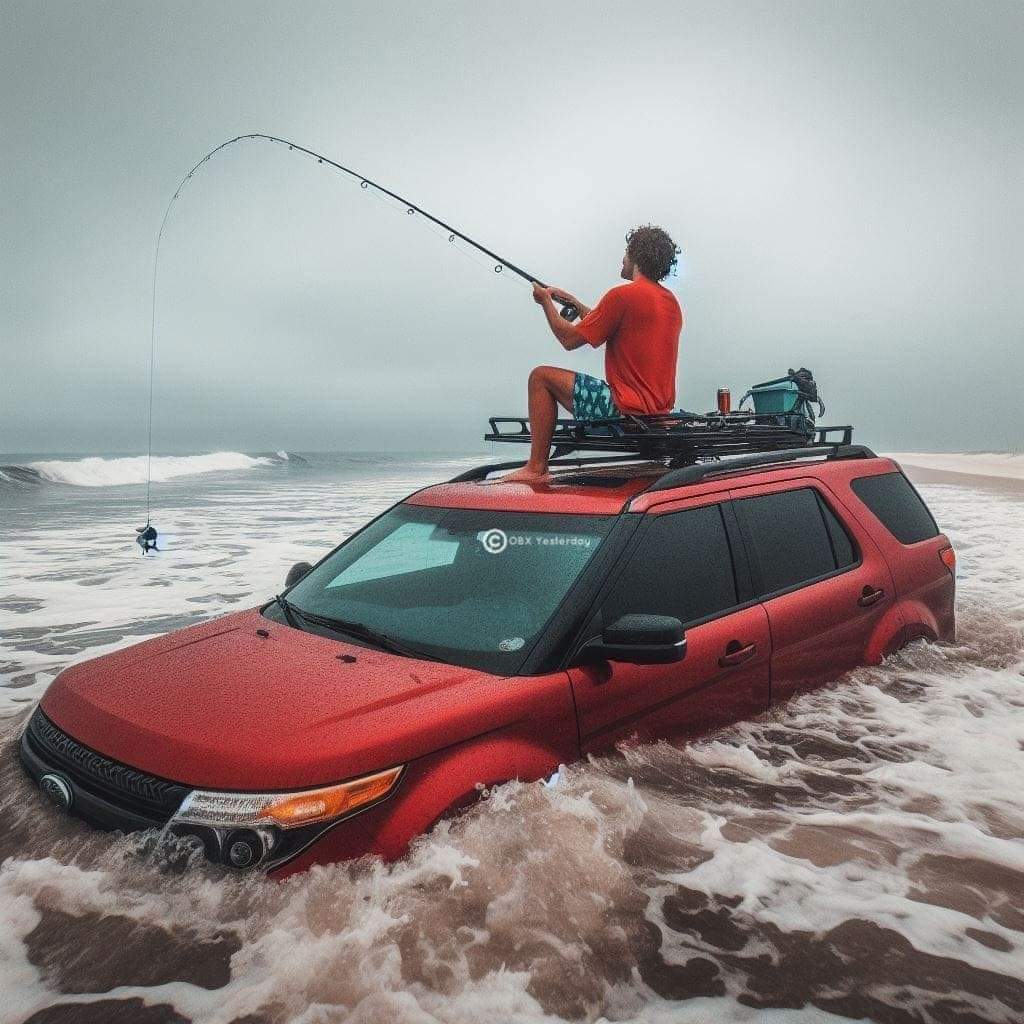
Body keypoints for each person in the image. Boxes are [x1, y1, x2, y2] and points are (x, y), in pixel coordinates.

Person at [501, 225, 683, 482]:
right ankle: (536, 466)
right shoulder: (671, 303)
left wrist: (545, 303)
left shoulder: (622, 296)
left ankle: (536, 467)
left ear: (637, 256)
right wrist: (575, 304)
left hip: (623, 411)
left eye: (626, 252)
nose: (622, 258)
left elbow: (569, 339)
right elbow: (614, 327)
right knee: (544, 376)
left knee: (540, 377)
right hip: (657, 416)